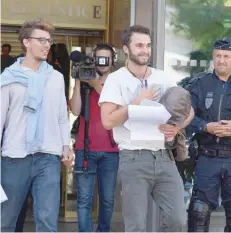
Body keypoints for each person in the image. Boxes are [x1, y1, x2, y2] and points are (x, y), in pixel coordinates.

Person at [98, 25, 194, 232]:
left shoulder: (163, 77)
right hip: (133, 158)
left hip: (164, 157)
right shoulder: (116, 79)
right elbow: (107, 121)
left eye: (148, 45)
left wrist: (177, 127)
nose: (145, 50)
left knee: (178, 220)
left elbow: (190, 111)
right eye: (139, 45)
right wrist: (135, 102)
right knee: (137, 227)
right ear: (126, 48)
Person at [0, 19, 73, 232]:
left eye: (49, 41)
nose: (46, 45)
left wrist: (66, 146)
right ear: (26, 42)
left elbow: (61, 116)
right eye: (41, 40)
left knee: (47, 222)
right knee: (6, 221)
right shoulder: (8, 78)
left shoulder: (56, 78)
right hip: (14, 158)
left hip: (48, 157)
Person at [70, 43, 119, 232]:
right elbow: (75, 110)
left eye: (106, 58)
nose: (102, 62)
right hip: (85, 147)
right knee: (83, 200)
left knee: (107, 200)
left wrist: (95, 84)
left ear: (112, 61)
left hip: (111, 150)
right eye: (99, 58)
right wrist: (78, 81)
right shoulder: (85, 82)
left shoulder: (118, 82)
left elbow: (115, 105)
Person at [187, 37, 231, 232]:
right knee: (198, 214)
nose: (222, 60)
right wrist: (206, 127)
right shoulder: (199, 83)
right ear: (213, 57)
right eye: (218, 56)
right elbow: (185, 117)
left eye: (226, 56)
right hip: (207, 156)